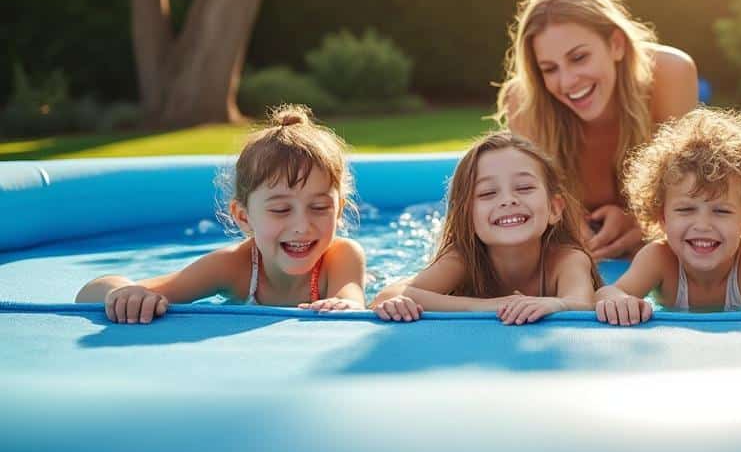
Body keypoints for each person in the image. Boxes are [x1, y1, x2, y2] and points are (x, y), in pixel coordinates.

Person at [76, 105, 367, 322]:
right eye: (280, 209)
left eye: (319, 207)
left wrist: (347, 305)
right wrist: (123, 292)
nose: (302, 226)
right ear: (243, 217)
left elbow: (351, 301)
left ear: (339, 209)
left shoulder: (340, 258)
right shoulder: (233, 268)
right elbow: (89, 292)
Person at [496, 0, 698, 259]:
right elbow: (524, 205)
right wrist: (565, 224)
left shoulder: (670, 75)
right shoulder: (526, 103)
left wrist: (642, 223)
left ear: (616, 44)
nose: (567, 81)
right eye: (549, 69)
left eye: (579, 58)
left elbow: (695, 192)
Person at [595, 108, 741, 325]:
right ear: (662, 217)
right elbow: (607, 293)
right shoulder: (659, 260)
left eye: (721, 211)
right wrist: (618, 301)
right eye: (686, 210)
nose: (702, 225)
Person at [371, 132, 600, 324]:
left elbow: (582, 304)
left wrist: (555, 303)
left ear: (554, 208)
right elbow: (390, 296)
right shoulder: (462, 260)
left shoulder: (567, 260)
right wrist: (490, 306)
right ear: (468, 217)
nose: (508, 200)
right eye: (488, 193)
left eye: (524, 187)